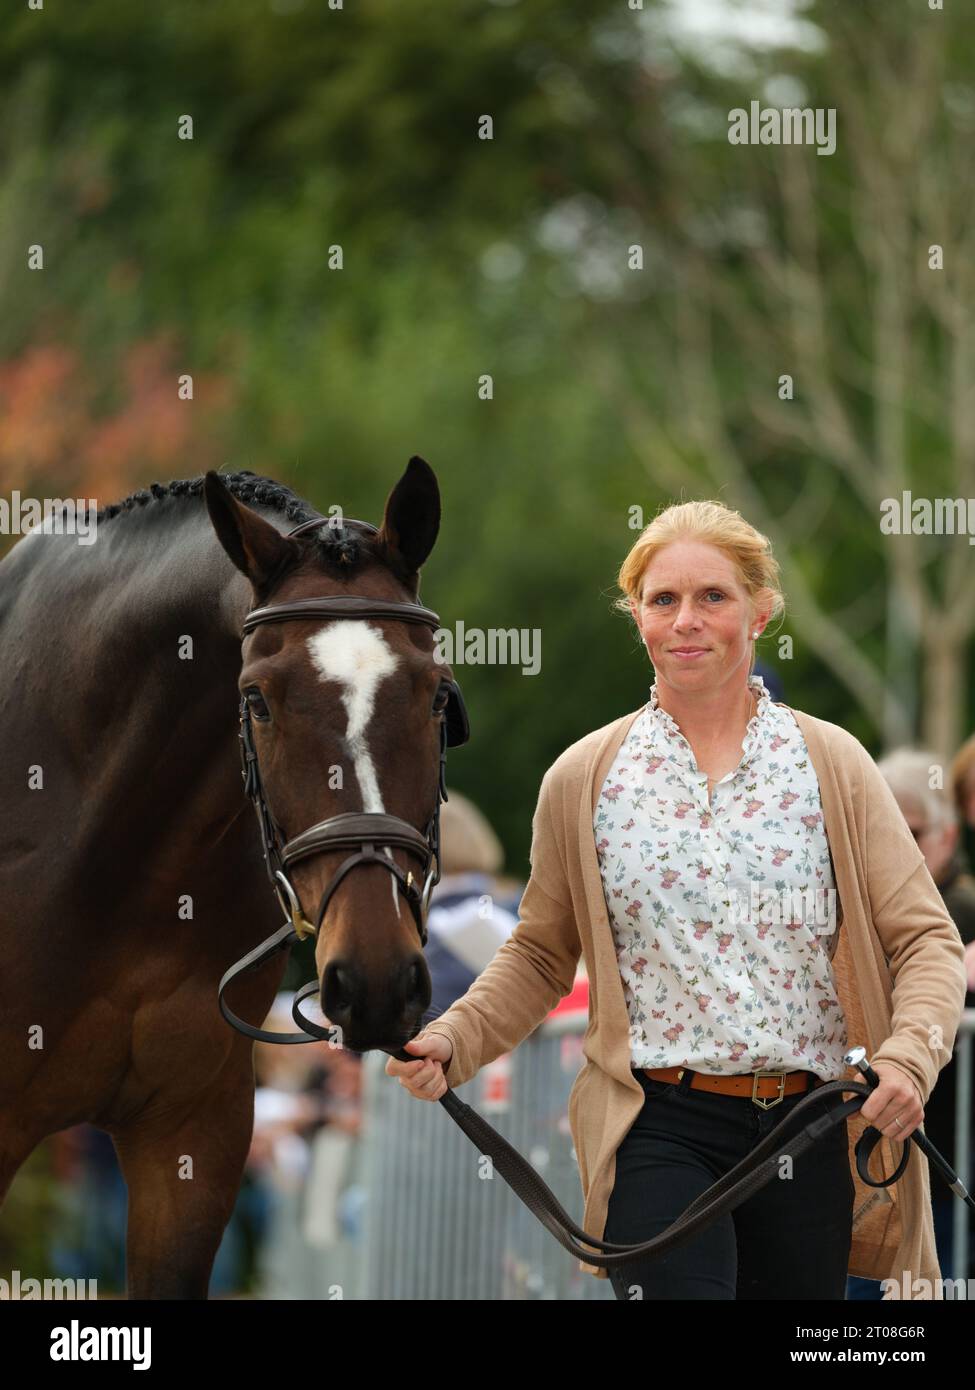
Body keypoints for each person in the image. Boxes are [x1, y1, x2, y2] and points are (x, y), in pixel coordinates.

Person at [386, 500, 968, 1300]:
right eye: (662, 600)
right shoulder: (584, 778)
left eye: (712, 597)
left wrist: (909, 1058)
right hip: (657, 1122)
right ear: (637, 616)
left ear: (760, 611)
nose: (685, 620)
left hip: (811, 1124)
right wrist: (454, 1040)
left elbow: (924, 941)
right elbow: (538, 951)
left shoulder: (831, 763)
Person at [874, 749, 975, 1283]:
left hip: (940, 1157)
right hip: (877, 1154)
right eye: (885, 831)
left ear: (947, 837)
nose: (897, 851)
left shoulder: (956, 908)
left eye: (911, 833)